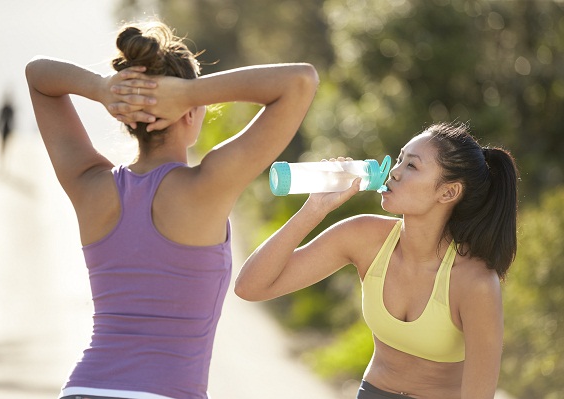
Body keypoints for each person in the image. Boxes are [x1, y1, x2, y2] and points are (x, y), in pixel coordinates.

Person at [26, 19, 318, 399]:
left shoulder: (89, 184)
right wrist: (190, 92)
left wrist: (101, 89)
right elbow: (300, 81)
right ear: (188, 110)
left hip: (83, 388)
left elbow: (38, 76)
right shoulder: (207, 186)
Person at [235, 121, 519, 399]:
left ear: (448, 192)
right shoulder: (364, 237)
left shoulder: (474, 282)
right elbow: (250, 287)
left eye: (412, 166)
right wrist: (314, 209)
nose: (394, 172)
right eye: (399, 160)